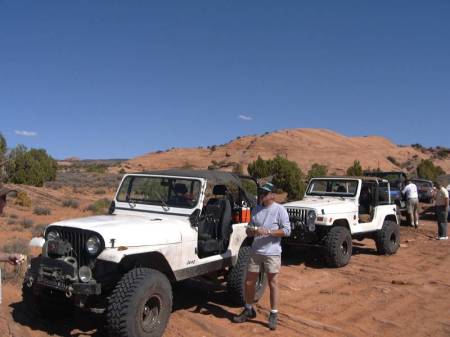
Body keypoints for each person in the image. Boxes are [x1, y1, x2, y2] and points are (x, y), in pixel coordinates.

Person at [233, 182, 291, 331]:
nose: (261, 195)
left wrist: (270, 232)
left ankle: (273, 313)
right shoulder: (256, 209)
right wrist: (253, 231)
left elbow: (287, 231)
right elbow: (248, 230)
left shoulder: (280, 210)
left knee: (273, 283)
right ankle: (249, 309)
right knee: (249, 282)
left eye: (264, 193)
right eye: (260, 193)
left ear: (272, 195)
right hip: (255, 251)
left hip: (272, 253)